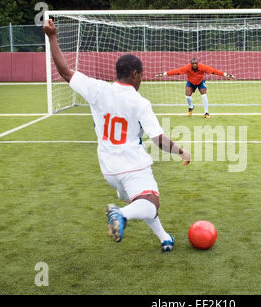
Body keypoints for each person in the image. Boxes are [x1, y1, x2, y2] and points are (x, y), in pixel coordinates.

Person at [43, 19, 191, 252]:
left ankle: (165, 238)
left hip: (108, 169)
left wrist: (52, 37)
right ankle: (119, 214)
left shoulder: (97, 89)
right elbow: (158, 139)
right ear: (134, 74)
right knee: (151, 203)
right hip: (132, 165)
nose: (141, 79)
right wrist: (181, 151)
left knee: (141, 199)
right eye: (140, 75)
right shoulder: (140, 102)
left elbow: (64, 71)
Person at [156, 58, 234, 118]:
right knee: (187, 95)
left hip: (200, 81)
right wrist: (164, 74)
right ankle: (191, 107)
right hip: (191, 82)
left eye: (195, 63)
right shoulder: (187, 67)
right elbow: (177, 71)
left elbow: (214, 71)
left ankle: (206, 112)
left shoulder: (202, 67)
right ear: (191, 64)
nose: (194, 65)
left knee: (203, 94)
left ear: (198, 63)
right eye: (192, 63)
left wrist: (226, 75)